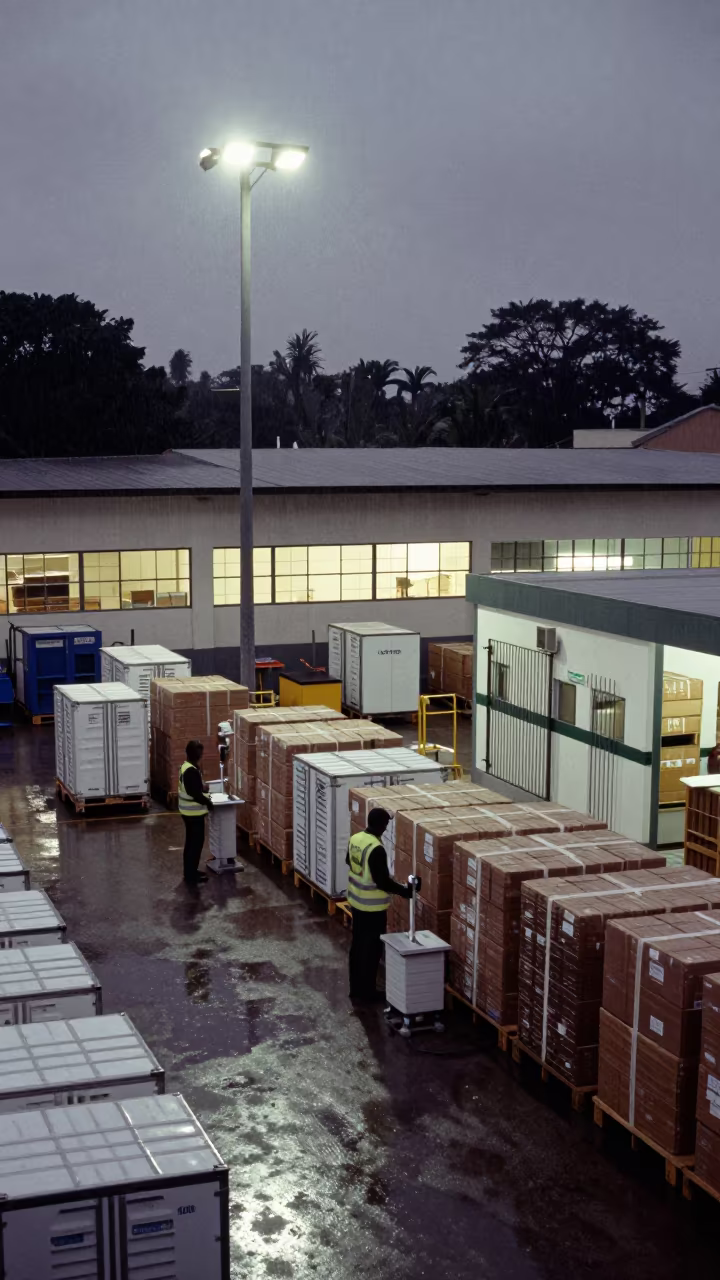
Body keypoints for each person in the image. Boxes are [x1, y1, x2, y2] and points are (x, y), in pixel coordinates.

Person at [346, 807, 419, 1005]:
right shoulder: (376, 848)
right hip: (372, 908)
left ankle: (355, 988)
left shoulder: (356, 838)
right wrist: (406, 891)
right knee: (372, 950)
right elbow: (382, 882)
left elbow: (350, 862)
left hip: (355, 902)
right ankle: (368, 992)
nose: (387, 829)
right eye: (386, 825)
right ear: (381, 825)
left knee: (358, 945)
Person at [178, 740, 214, 884]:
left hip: (188, 813)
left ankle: (190, 871)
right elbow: (195, 794)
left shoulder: (186, 766)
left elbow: (193, 788)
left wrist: (202, 788)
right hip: (193, 814)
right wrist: (209, 803)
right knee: (195, 844)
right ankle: (191, 875)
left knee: (191, 844)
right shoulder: (191, 771)